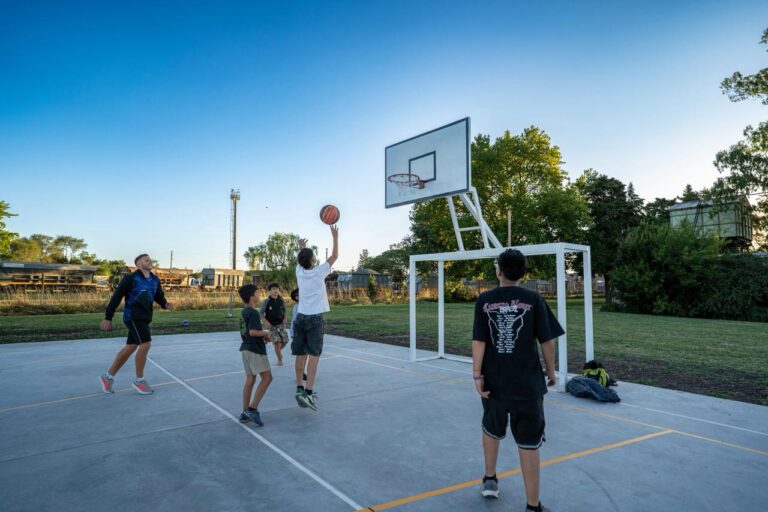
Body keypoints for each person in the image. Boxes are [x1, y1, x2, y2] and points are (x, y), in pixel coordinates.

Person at [472, 249, 563, 512]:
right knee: (529, 442)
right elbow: (546, 340)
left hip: (494, 383)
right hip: (527, 385)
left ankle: (490, 480)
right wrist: (551, 372)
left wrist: (477, 374)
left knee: (491, 428)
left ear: (498, 270)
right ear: (523, 273)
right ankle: (533, 505)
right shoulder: (534, 299)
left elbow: (479, 340)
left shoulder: (484, 300)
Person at [99, 254, 173, 395]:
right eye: (146, 260)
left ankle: (107, 377)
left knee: (131, 346)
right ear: (138, 265)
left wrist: (165, 304)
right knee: (145, 344)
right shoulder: (131, 279)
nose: (149, 261)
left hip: (145, 317)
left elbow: (158, 296)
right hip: (133, 317)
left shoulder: (154, 279)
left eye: (150, 259)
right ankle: (139, 380)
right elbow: (116, 297)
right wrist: (108, 317)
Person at [292, 225, 338, 410]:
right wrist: (334, 236)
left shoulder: (299, 272)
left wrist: (300, 247)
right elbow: (334, 256)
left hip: (300, 317)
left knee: (300, 355)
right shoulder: (319, 271)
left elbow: (301, 259)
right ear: (313, 259)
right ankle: (309, 394)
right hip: (314, 319)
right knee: (314, 357)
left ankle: (299, 389)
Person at [237, 283, 273, 426]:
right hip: (254, 350)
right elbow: (253, 332)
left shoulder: (244, 311)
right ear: (252, 297)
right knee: (267, 378)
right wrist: (266, 333)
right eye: (257, 293)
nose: (259, 295)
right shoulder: (252, 312)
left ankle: (245, 412)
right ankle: (252, 409)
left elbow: (249, 333)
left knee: (250, 379)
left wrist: (261, 336)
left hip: (246, 348)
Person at [260, 283, 288, 366]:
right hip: (271, 326)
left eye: (277, 289)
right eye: (273, 289)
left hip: (280, 325)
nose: (276, 290)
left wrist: (285, 319)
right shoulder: (267, 301)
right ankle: (279, 359)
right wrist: (265, 322)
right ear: (270, 291)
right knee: (277, 342)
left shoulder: (281, 300)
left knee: (285, 341)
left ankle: (277, 349)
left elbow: (285, 311)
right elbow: (261, 313)